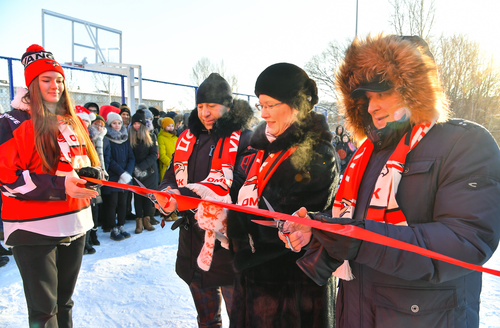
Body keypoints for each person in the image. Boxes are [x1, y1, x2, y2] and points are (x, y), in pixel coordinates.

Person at [282, 34, 500, 328]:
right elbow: (360, 222)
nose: (371, 107)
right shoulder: (368, 153)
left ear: (416, 89)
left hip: (424, 318)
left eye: (382, 93)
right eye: (367, 97)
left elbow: (466, 240)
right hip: (359, 312)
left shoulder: (465, 143)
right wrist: (319, 229)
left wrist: (361, 239)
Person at [223, 63, 339, 328]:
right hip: (255, 279)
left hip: (291, 291)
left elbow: (291, 224)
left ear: (295, 104)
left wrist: (239, 227)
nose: (263, 114)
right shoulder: (262, 150)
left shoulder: (319, 154)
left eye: (270, 105)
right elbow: (241, 196)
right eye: (260, 105)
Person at [0, 44, 101, 327]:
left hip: (76, 222)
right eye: (46, 80)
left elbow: (84, 164)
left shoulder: (71, 120)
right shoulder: (10, 122)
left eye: (59, 80)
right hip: (33, 228)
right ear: (30, 84)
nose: (55, 86)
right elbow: (8, 180)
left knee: (65, 303)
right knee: (44, 312)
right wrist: (60, 186)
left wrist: (92, 178)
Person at [158, 73, 255, 328]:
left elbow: (242, 185)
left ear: (228, 106)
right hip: (193, 239)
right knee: (206, 318)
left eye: (212, 105)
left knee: (242, 318)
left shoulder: (245, 139)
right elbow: (170, 177)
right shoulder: (188, 138)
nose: (205, 113)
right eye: (201, 106)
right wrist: (166, 196)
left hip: (227, 243)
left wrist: (186, 196)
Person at [102, 110, 135, 241]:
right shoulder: (107, 139)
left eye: (119, 123)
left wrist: (127, 173)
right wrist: (121, 173)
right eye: (114, 123)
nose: (117, 125)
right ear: (110, 124)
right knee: (112, 203)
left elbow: (131, 157)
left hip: (125, 177)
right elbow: (109, 160)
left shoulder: (125, 138)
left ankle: (121, 225)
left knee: (123, 203)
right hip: (114, 177)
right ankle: (113, 227)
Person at [129, 110, 159, 233]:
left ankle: (147, 219)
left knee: (148, 196)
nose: (136, 126)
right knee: (137, 197)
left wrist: (141, 166)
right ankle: (139, 221)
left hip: (150, 171)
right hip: (135, 172)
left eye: (138, 124)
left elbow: (154, 154)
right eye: (134, 124)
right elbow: (129, 155)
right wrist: (134, 168)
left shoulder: (151, 136)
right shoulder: (130, 137)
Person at [87, 114, 111, 247]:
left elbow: (106, 158)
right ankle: (87, 238)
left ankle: (94, 234)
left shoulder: (104, 140)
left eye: (102, 125)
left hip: (98, 175)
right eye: (96, 124)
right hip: (87, 175)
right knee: (88, 207)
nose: (99, 127)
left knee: (95, 206)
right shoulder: (87, 138)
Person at [157, 116, 177, 181]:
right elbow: (162, 155)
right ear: (164, 127)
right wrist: (171, 164)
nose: (171, 128)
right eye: (168, 126)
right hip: (166, 168)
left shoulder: (176, 138)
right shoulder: (161, 138)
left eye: (172, 125)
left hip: (177, 168)